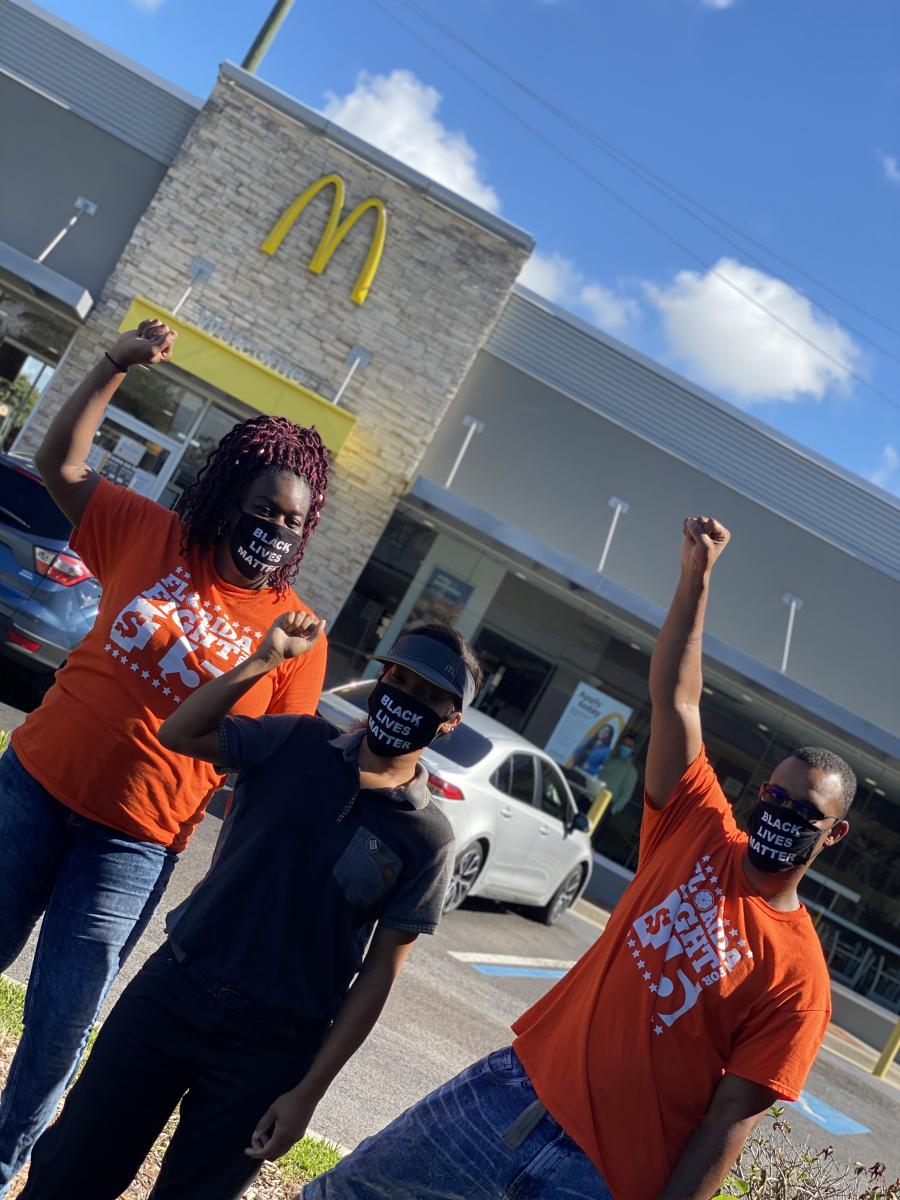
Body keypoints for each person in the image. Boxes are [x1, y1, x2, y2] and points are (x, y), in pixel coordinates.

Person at [300, 515, 854, 1200]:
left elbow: (724, 1127)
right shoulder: (696, 829)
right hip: (513, 1095)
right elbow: (677, 698)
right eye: (776, 795)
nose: (783, 814)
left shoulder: (800, 982)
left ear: (835, 835)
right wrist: (695, 580)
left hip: (602, 1180)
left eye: (806, 813)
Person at [0, 319, 330, 1193]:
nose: (274, 529)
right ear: (226, 494)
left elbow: (270, 766)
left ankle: (0, 1166)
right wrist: (113, 365)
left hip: (135, 843)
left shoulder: (295, 632)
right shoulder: (152, 536)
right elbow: (59, 466)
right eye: (263, 508)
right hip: (32, 785)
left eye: (291, 521)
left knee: (62, 1025)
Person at [19, 620, 483, 1200]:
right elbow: (181, 731)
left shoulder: (428, 837)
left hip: (273, 1047)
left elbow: (380, 974)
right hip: (174, 991)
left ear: (450, 720)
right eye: (399, 679)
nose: (406, 699)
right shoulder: (294, 741)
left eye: (429, 695)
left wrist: (308, 1092)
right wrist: (263, 660)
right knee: (71, 1170)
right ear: (379, 677)